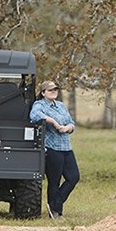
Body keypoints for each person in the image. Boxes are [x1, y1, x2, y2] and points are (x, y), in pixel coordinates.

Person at [30, 80, 79, 219]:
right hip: (51, 148)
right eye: (50, 90)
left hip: (66, 146)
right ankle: (56, 212)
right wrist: (54, 122)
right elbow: (34, 116)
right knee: (54, 180)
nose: (54, 92)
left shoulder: (61, 106)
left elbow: (71, 123)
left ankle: (55, 204)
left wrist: (68, 128)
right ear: (43, 92)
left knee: (73, 177)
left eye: (55, 90)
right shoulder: (39, 104)